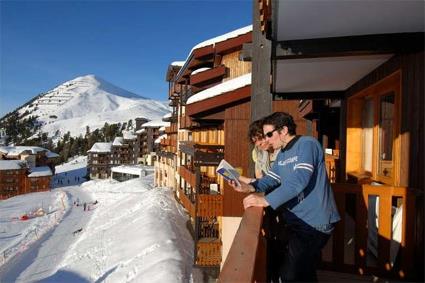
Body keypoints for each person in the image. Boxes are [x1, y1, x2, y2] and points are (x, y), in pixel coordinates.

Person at [230, 112, 340, 282]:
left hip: (315, 223)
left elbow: (299, 181)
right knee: (303, 270)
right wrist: (249, 187)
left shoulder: (307, 144)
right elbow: (270, 180)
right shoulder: (282, 155)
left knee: (290, 274)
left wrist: (265, 200)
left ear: (283, 130)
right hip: (298, 221)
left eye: (269, 134)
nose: (266, 139)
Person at [238, 119, 279, 184]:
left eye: (260, 138)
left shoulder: (283, 150)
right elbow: (259, 179)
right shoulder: (258, 152)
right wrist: (238, 178)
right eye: (255, 141)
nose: (258, 144)